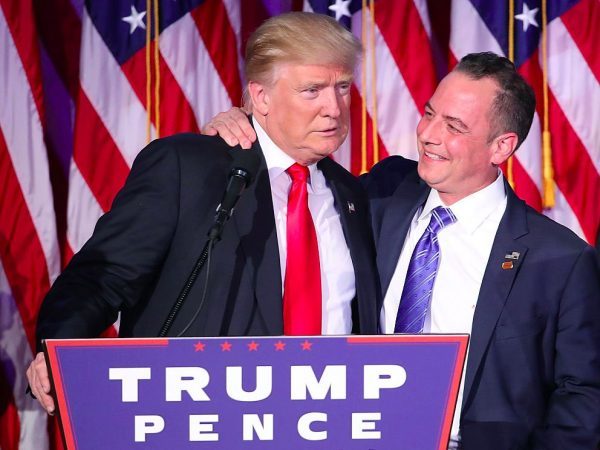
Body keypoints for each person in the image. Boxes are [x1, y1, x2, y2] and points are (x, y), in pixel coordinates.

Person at [203, 52, 600, 449]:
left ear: (501, 147)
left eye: (454, 126)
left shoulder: (559, 259)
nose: (428, 134)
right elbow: (295, 180)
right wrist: (245, 131)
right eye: (430, 113)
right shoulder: (382, 192)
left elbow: (583, 392)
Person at [26, 12, 380, 416]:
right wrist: (60, 351)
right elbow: (103, 278)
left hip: (327, 422)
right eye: (312, 90)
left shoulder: (352, 194)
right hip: (200, 421)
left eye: (343, 87)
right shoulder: (189, 167)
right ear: (261, 97)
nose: (333, 108)